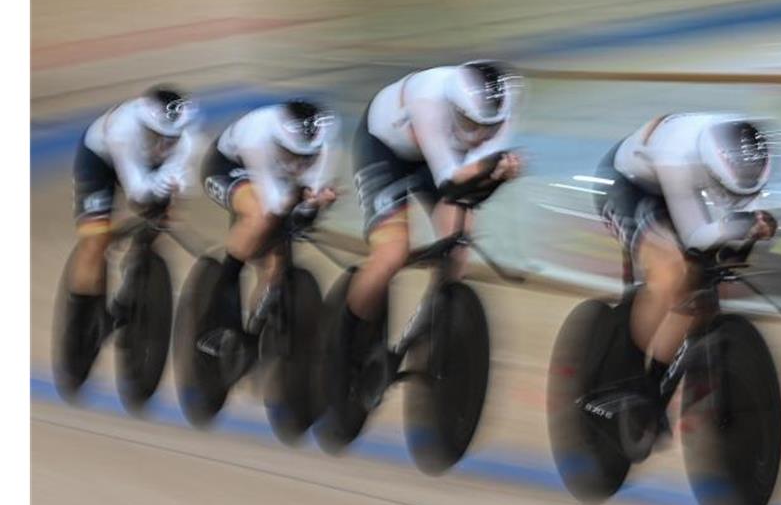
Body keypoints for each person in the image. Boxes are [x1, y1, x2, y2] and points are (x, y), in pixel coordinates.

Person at [594, 113, 778, 439]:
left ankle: (657, 385)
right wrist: (739, 228)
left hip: (683, 188)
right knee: (670, 275)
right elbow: (696, 237)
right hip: (628, 185)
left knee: (703, 279)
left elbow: (735, 231)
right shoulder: (678, 158)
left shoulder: (747, 154)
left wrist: (749, 233)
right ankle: (634, 377)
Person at [340, 60, 524, 352]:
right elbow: (450, 182)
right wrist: (491, 170)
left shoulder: (504, 108)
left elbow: (472, 187)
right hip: (386, 149)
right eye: (472, 124)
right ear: (454, 108)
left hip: (438, 158)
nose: (479, 134)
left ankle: (425, 332)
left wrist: (497, 176)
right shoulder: (429, 99)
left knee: (458, 248)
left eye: (488, 127)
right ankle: (341, 348)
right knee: (392, 252)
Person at [197, 98, 340, 365]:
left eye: (306, 155)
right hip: (231, 167)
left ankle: (252, 333)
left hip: (277, 178)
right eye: (292, 153)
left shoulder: (326, 136)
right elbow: (273, 202)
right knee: (261, 216)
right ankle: (217, 302)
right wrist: (301, 209)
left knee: (275, 263)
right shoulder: (257, 137)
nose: (300, 160)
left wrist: (312, 205)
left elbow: (315, 189)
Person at [66, 85, 198, 341]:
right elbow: (136, 193)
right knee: (94, 241)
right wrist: (162, 183)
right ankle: (79, 324)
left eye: (173, 136)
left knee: (162, 216)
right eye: (158, 134)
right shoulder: (124, 130)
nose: (166, 142)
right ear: (144, 123)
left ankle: (137, 259)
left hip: (146, 166)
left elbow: (177, 182)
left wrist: (169, 194)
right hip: (100, 162)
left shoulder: (186, 140)